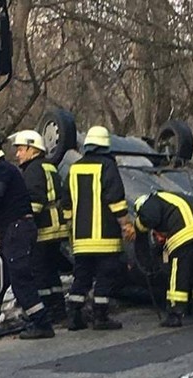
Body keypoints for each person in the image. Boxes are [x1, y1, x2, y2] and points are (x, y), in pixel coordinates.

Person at [60, 125, 135, 331]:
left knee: (81, 276)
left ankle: (74, 316)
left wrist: (71, 225)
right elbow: (116, 201)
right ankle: (100, 317)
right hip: (105, 237)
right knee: (105, 275)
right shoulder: (108, 166)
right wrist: (126, 224)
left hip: (81, 239)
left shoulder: (74, 168)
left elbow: (65, 202)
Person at [0, 137, 55, 340]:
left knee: (20, 277)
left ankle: (41, 322)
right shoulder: (1, 170)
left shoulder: (1, 169)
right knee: (4, 276)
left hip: (17, 229)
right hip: (14, 229)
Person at [133, 191, 193, 327]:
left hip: (185, 231)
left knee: (179, 271)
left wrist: (140, 223)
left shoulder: (150, 203)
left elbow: (150, 219)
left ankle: (175, 313)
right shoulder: (172, 197)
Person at [10, 129, 68, 323]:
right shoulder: (49, 166)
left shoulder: (33, 170)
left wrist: (24, 218)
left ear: (32, 149)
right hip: (56, 226)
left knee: (40, 271)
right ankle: (58, 308)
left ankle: (46, 311)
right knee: (51, 271)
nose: (18, 154)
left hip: (43, 227)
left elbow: (35, 200)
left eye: (20, 150)